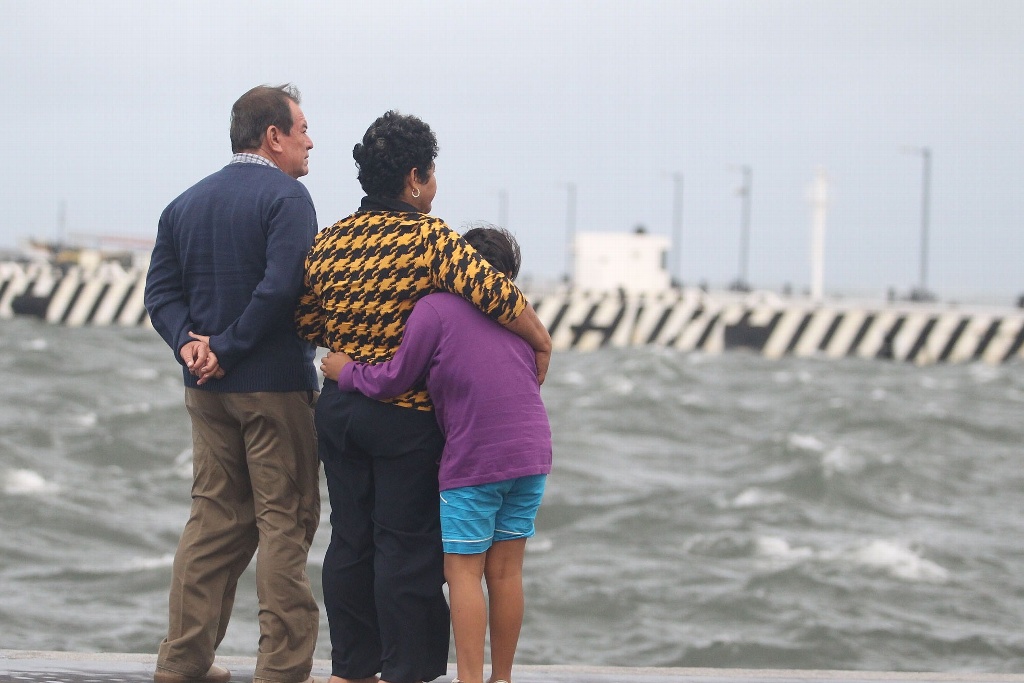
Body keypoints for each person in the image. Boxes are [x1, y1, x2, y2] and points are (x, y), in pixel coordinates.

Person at [295, 111, 551, 683]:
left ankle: (351, 667)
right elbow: (493, 291)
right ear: (415, 177)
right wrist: (541, 340)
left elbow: (307, 321)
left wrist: (348, 352)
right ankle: (406, 670)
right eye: (431, 174)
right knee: (405, 549)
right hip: (404, 417)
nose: (434, 187)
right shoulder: (429, 239)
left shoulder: (329, 242)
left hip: (339, 410)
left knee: (350, 540)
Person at [145, 84, 322, 683]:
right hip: (272, 386)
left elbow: (160, 295)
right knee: (285, 521)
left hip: (205, 391)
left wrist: (190, 345)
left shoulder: (184, 204)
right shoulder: (288, 199)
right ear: (272, 136)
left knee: (212, 521)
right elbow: (281, 288)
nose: (309, 141)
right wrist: (229, 347)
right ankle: (281, 669)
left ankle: (183, 661)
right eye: (301, 129)